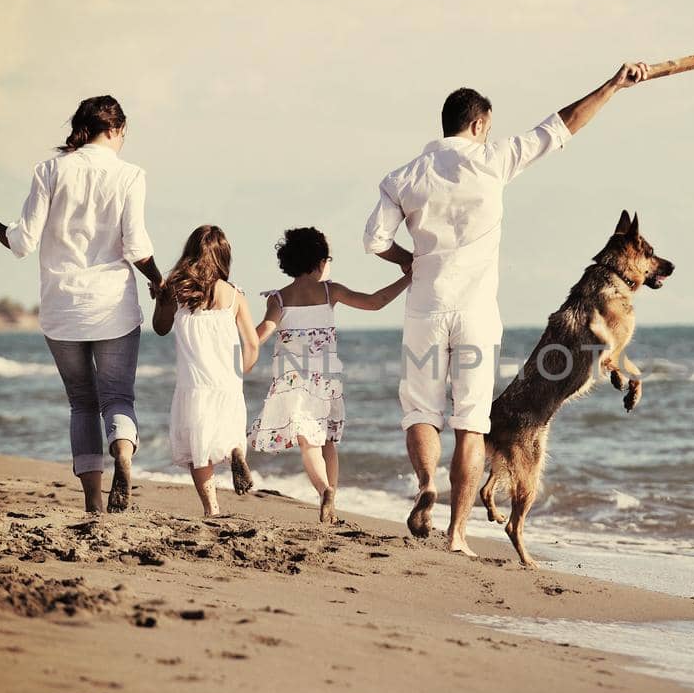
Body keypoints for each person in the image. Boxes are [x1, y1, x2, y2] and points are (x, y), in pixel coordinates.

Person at [363, 61, 650, 556]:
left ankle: (427, 486)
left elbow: (373, 241)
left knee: (421, 411)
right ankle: (457, 535)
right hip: (475, 316)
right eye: (487, 128)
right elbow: (561, 125)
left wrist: (410, 261)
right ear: (478, 125)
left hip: (425, 311)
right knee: (472, 422)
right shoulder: (492, 160)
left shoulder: (401, 178)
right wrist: (613, 85)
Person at [0, 94, 160, 513]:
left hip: (62, 309)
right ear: (118, 129)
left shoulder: (49, 170)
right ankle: (123, 455)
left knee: (82, 402)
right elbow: (136, 246)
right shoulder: (131, 175)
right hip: (113, 307)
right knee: (118, 398)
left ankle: (93, 506)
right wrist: (158, 280)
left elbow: (22, 242)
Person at [249, 227, 411, 523]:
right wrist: (409, 277)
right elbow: (376, 302)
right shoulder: (329, 291)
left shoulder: (279, 299)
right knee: (327, 441)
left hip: (292, 380)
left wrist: (236, 336)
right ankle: (331, 498)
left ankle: (324, 490)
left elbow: (262, 333)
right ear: (320, 261)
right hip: (325, 379)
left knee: (306, 442)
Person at [153, 224, 259, 517]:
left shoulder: (177, 290)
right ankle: (236, 452)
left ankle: (212, 509)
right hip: (227, 384)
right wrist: (240, 375)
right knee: (228, 433)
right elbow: (251, 344)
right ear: (224, 256)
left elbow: (160, 329)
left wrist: (161, 299)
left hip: (194, 385)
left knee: (198, 450)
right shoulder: (235, 295)